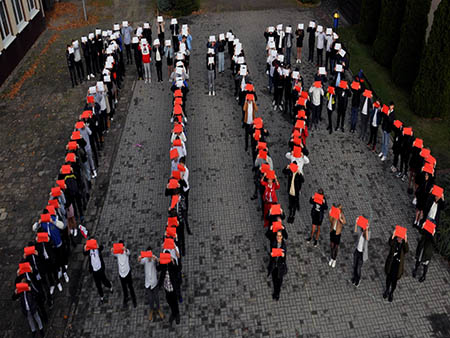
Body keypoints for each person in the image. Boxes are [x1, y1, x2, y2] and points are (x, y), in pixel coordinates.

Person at [139, 247, 164, 320]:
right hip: (147, 284)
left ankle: (158, 309)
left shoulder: (153, 259)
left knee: (156, 298)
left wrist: (155, 259)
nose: (149, 256)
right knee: (150, 299)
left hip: (154, 283)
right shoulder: (145, 260)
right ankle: (151, 310)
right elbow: (140, 261)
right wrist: (140, 257)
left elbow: (159, 261)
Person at [384, 231, 408, 302]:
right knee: (388, 279)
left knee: (394, 282)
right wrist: (393, 235)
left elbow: (407, 250)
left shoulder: (403, 244)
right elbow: (390, 243)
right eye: (398, 237)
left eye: (400, 238)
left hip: (398, 267)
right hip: (391, 264)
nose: (399, 239)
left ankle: (391, 293)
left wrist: (406, 240)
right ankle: (387, 290)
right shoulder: (394, 241)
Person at [157, 252, 181, 325]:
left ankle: (176, 314)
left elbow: (178, 269)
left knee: (175, 302)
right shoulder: (163, 263)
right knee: (169, 301)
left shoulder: (172, 261)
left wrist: (173, 262)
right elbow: (158, 269)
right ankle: (173, 313)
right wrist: (158, 261)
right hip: (166, 287)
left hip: (172, 287)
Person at [111, 240, 137, 308]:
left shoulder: (126, 252)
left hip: (127, 272)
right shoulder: (117, 253)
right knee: (124, 288)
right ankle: (126, 298)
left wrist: (125, 249)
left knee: (130, 287)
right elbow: (113, 253)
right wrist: (112, 250)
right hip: (121, 274)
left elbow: (128, 253)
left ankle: (134, 300)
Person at [267, 231, 287, 301]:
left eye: (280, 236)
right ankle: (275, 292)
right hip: (274, 266)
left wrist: (283, 256)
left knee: (279, 282)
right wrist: (271, 254)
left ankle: (277, 294)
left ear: (282, 237)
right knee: (274, 280)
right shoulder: (273, 242)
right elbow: (268, 235)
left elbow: (284, 260)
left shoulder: (283, 246)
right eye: (277, 236)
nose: (278, 237)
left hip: (280, 267)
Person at [351, 222, 370, 287]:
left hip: (362, 254)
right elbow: (355, 231)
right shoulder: (360, 232)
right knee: (354, 265)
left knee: (358, 268)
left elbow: (367, 238)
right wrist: (356, 223)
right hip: (357, 251)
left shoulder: (368, 233)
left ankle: (358, 279)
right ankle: (354, 277)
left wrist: (366, 229)